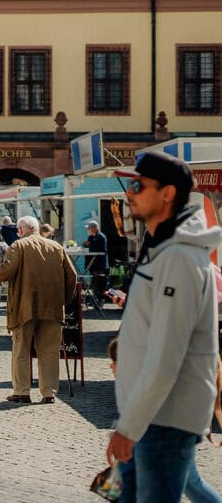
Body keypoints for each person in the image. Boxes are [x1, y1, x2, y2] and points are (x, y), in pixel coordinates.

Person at [105, 152, 222, 502]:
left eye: (138, 185)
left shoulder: (178, 258)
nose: (130, 192)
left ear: (167, 193)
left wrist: (128, 427)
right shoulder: (161, 249)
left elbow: (166, 355)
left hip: (163, 420)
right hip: (147, 416)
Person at [0, 216, 77, 404]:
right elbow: (72, 276)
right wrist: (64, 300)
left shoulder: (18, 246)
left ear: (20, 230)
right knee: (50, 351)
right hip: (52, 307)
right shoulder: (56, 247)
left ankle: (22, 391)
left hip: (24, 307)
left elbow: (5, 271)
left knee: (21, 350)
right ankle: (49, 392)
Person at [107, 338, 222, 503]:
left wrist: (125, 431)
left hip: (171, 432)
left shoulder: (146, 380)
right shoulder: (138, 380)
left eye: (113, 362)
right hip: (163, 434)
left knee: (190, 482)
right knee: (190, 483)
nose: (110, 366)